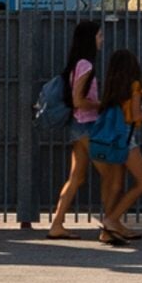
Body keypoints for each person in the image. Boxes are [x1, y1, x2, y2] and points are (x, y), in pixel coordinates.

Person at [89, 46, 142, 245]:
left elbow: (128, 115)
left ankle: (110, 229)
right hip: (126, 139)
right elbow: (135, 116)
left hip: (112, 138)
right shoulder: (135, 86)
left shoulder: (113, 88)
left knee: (115, 185)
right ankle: (112, 219)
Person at [39, 18, 106, 238]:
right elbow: (79, 101)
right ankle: (111, 226)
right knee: (110, 174)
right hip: (86, 124)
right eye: (99, 35)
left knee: (77, 177)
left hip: (78, 126)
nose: (102, 40)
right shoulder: (85, 65)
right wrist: (103, 104)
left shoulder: (76, 64)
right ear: (90, 38)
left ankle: (57, 224)